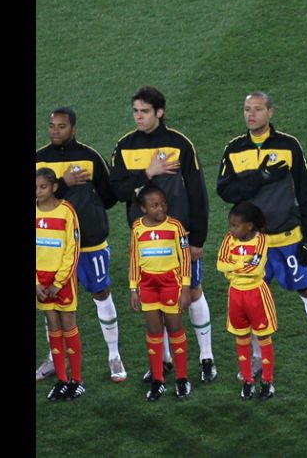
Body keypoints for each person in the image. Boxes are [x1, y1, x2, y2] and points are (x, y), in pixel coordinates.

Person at [216, 91, 307, 378]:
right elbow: (225, 191)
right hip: (251, 243)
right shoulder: (234, 149)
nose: (251, 115)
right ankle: (257, 358)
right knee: (253, 297)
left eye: (257, 109)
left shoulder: (288, 146)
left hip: (287, 237)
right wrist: (258, 178)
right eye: (247, 109)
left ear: (270, 112)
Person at [110, 86, 217, 383]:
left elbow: (198, 194)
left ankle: (206, 357)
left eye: (144, 111)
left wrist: (197, 240)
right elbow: (116, 191)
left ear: (159, 112)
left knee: (192, 292)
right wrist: (147, 172)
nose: (138, 117)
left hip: (180, 239)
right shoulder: (124, 146)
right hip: (145, 240)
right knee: (155, 299)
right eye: (135, 111)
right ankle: (165, 360)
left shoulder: (180, 143)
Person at [36, 107, 127, 383]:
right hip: (51, 246)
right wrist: (64, 184)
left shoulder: (90, 157)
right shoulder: (39, 159)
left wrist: (89, 206)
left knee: (101, 293)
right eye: (52, 126)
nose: (55, 131)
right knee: (49, 300)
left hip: (89, 243)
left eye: (61, 126)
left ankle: (114, 355)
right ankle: (54, 358)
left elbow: (110, 195)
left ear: (74, 129)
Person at [128, 185, 193, 401]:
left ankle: (182, 378)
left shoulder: (176, 227)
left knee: (175, 330)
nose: (161, 208)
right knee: (153, 332)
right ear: (143, 208)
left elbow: (185, 259)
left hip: (170, 285)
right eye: (154, 205)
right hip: (147, 286)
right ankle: (158, 379)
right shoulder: (137, 228)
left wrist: (185, 288)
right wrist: (133, 288)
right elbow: (134, 259)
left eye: (163, 203)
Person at [217, 201, 277, 400]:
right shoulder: (228, 238)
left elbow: (257, 269)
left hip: (256, 295)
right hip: (235, 295)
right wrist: (244, 263)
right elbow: (220, 264)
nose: (231, 229)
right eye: (231, 225)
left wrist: (234, 265)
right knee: (241, 338)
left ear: (249, 226)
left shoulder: (261, 240)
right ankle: (248, 381)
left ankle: (267, 381)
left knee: (263, 338)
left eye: (235, 226)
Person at [36, 168, 85, 401]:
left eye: (43, 187)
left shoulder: (67, 212)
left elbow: (72, 250)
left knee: (68, 327)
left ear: (54, 187)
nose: (38, 192)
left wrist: (58, 282)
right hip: (40, 283)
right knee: (53, 328)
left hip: (62, 281)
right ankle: (62, 380)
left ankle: (77, 380)